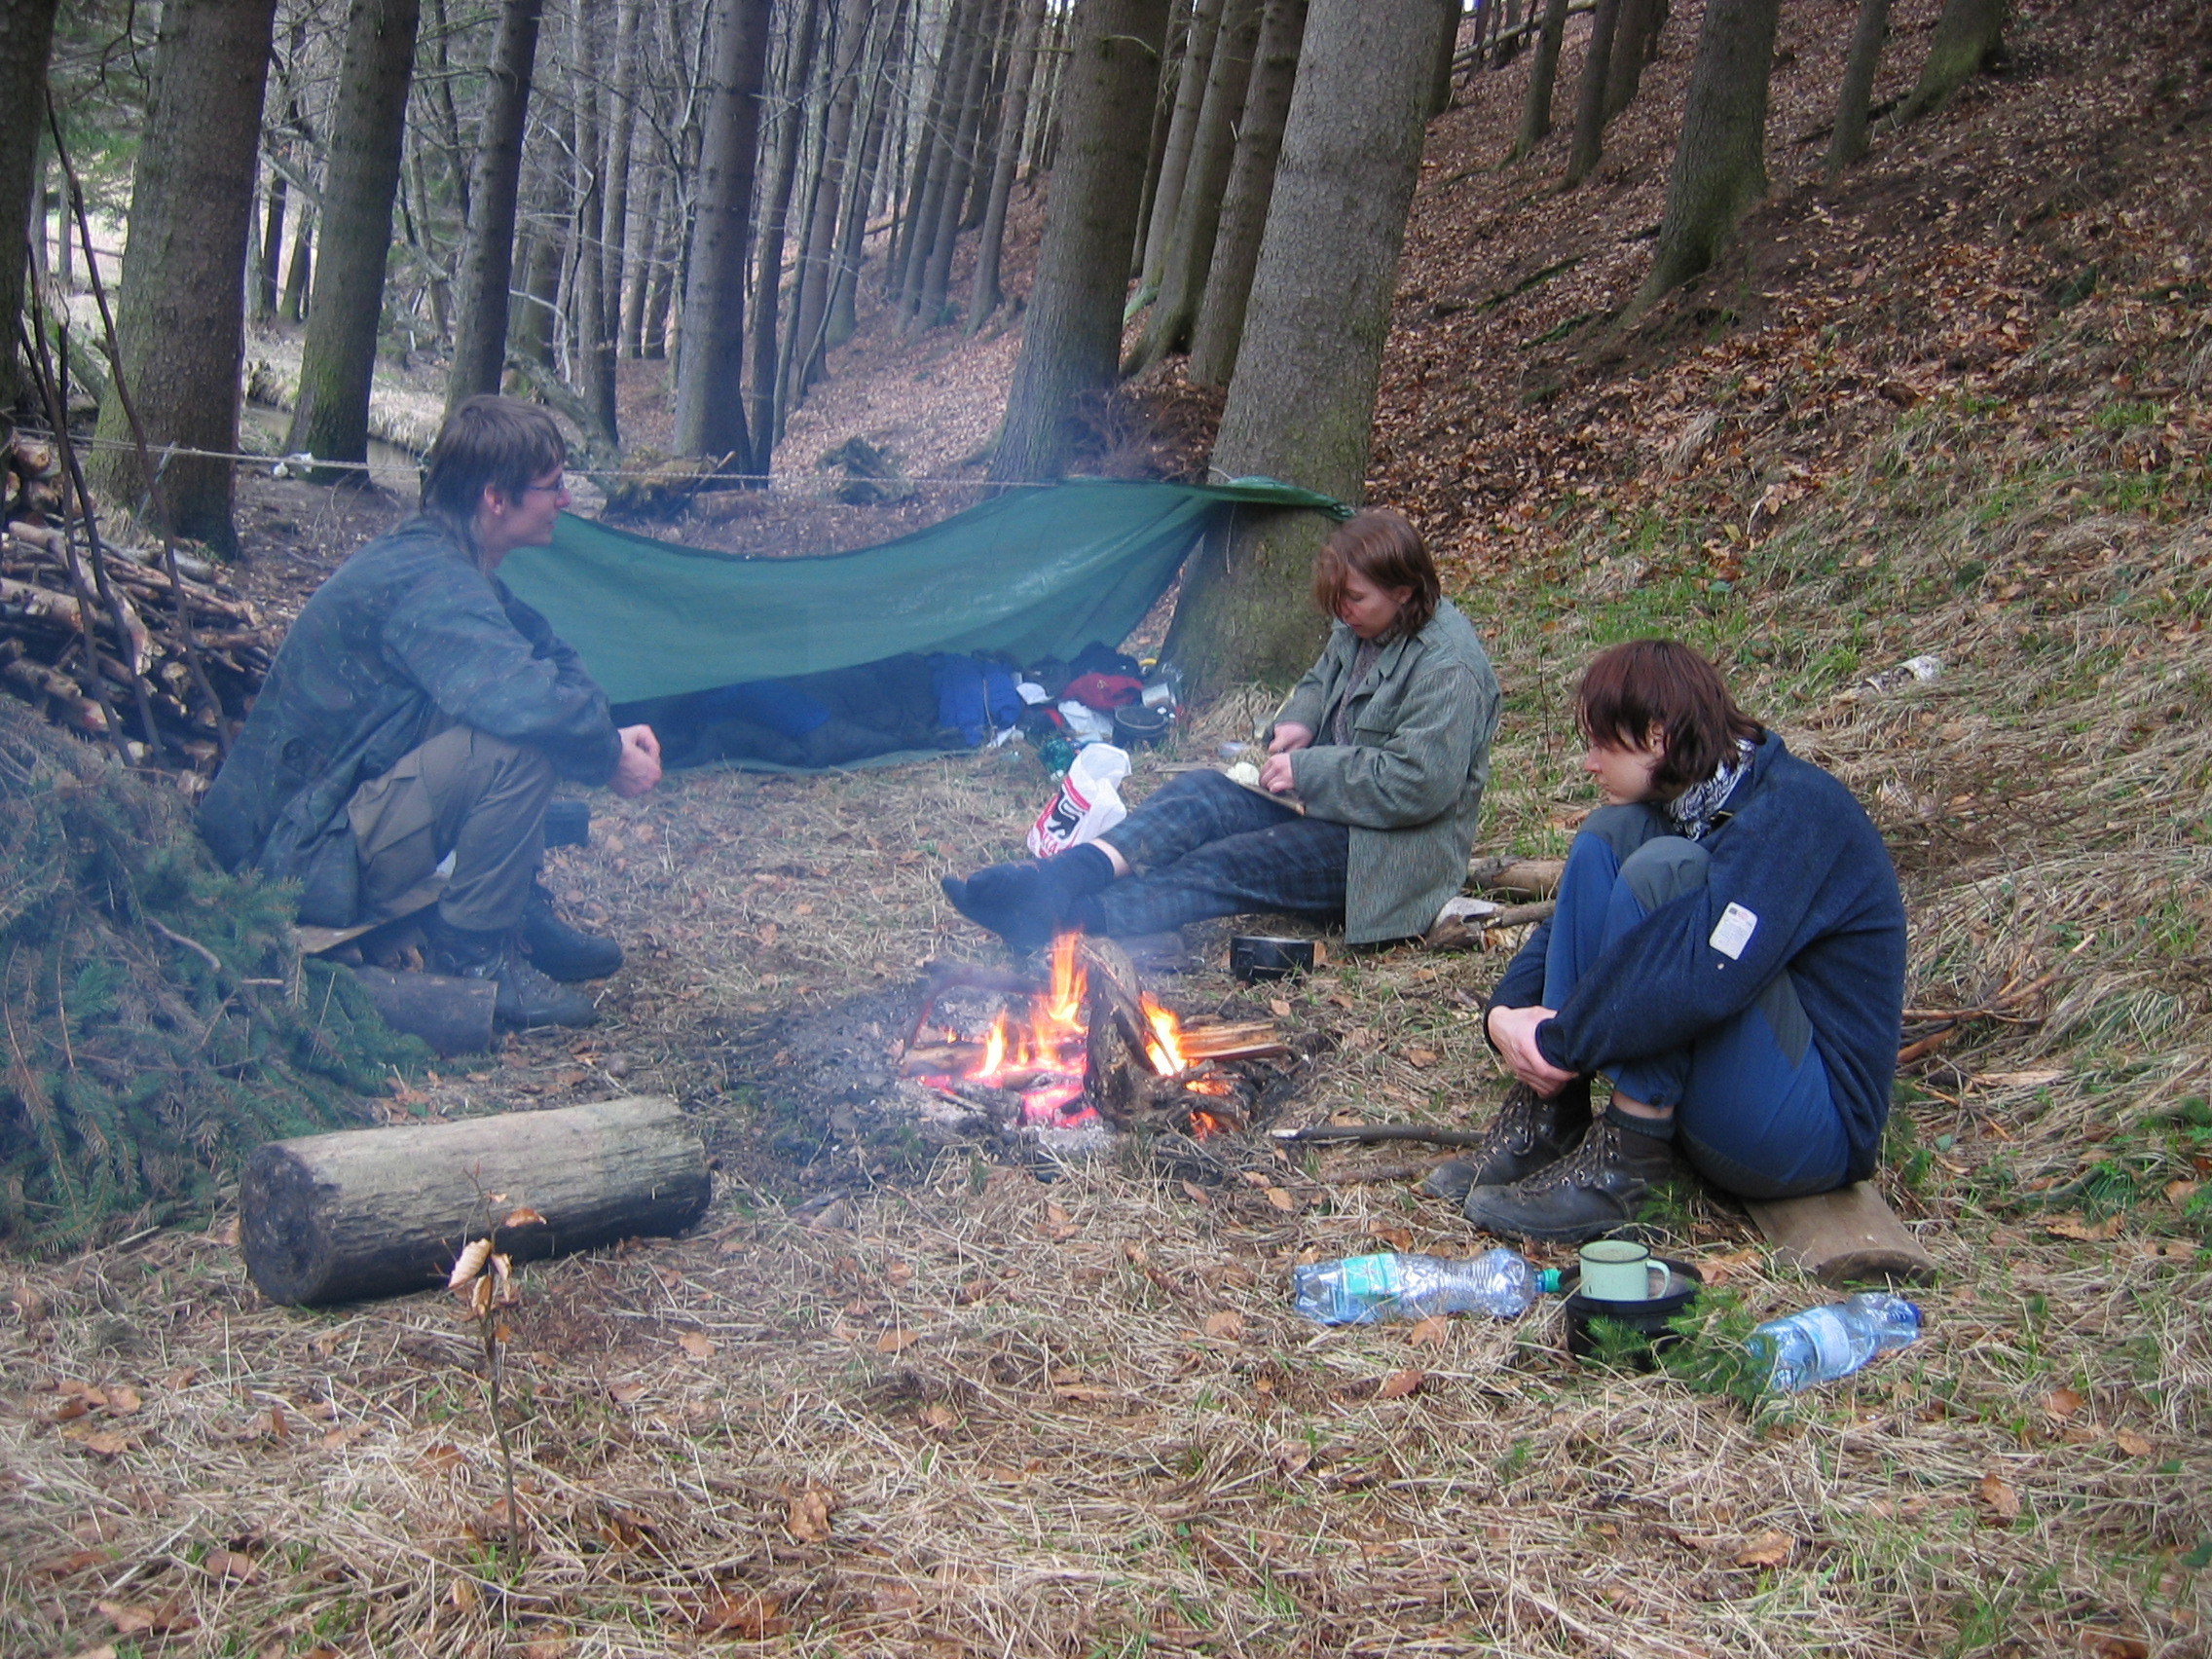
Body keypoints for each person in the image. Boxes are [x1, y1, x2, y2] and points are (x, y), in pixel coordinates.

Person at [200, 396, 662, 1029]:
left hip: (324, 823)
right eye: (552, 486)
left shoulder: (448, 559)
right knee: (519, 741)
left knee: (524, 716)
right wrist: (608, 758)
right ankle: (476, 957)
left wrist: (605, 734)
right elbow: (528, 705)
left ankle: (516, 912)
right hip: (296, 858)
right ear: (495, 497)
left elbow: (548, 655)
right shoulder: (429, 579)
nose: (565, 500)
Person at [1427, 640, 1908, 1242]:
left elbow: (1707, 974)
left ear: (1657, 738)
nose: (1589, 764)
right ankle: (1551, 1116)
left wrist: (1559, 1042)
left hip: (1808, 1130)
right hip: (1745, 1086)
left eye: (1602, 744)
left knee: (1666, 872)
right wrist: (1503, 1015)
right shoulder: (1700, 802)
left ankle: (1628, 1161)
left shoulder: (1792, 814)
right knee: (1609, 836)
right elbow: (1562, 925)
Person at [941, 509, 1500, 950]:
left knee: (1232, 859)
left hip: (1386, 858)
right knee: (1200, 795)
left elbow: (1418, 784)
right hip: (1330, 808)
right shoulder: (1365, 620)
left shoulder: (1448, 669)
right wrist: (1302, 717)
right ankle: (1058, 879)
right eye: (1339, 599)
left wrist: (1307, 769)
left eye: (1354, 598)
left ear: (1404, 590)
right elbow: (1320, 677)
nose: (1344, 612)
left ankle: (1064, 920)